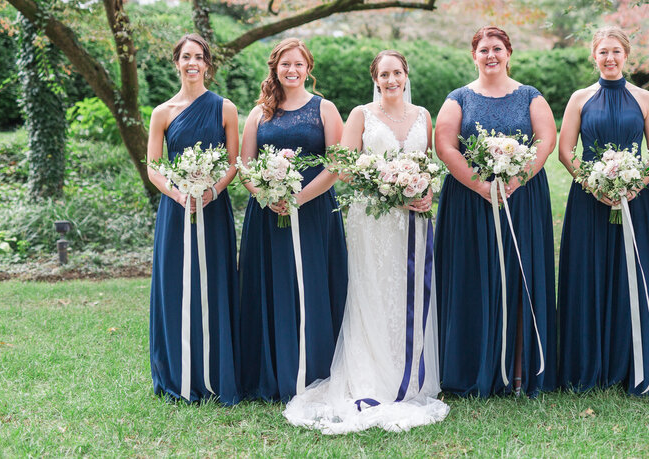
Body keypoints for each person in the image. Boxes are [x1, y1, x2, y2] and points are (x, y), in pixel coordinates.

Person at [284, 50, 448, 433]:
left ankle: (411, 375)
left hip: (414, 219)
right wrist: (390, 188)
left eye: (397, 73)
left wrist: (425, 192)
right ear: (375, 79)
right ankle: (372, 377)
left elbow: (429, 165)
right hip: (372, 219)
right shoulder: (360, 114)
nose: (391, 80)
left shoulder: (424, 115)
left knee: (409, 292)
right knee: (372, 293)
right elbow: (343, 167)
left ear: (406, 75)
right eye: (383, 74)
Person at [434, 26, 557, 398]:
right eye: (484, 49)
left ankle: (519, 371)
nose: (491, 55)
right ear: (474, 55)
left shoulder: (530, 96)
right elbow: (445, 145)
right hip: (469, 202)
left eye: (497, 48)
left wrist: (517, 179)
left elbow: (545, 140)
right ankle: (471, 366)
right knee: (472, 277)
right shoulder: (458, 98)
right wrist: (480, 185)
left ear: (509, 53)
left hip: (522, 198)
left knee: (520, 277)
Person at [237, 38, 348, 402]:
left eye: (299, 64)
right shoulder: (258, 113)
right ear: (275, 68)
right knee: (273, 285)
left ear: (308, 68)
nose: (292, 70)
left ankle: (316, 370)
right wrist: (266, 196)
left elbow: (337, 164)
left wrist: (299, 198)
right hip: (267, 216)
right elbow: (245, 167)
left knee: (313, 284)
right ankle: (272, 371)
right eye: (286, 64)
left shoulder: (325, 108)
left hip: (315, 212)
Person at [556, 27, 649, 394]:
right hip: (589, 199)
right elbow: (565, 150)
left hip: (636, 199)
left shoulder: (646, 98)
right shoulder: (579, 98)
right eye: (603, 52)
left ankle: (630, 362)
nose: (610, 58)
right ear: (594, 56)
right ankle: (588, 365)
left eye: (616, 51)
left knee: (633, 272)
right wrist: (593, 183)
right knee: (589, 273)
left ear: (626, 55)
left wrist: (637, 184)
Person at [146, 33, 240, 404]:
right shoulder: (162, 113)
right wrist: (177, 193)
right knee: (175, 285)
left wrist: (212, 191)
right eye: (186, 56)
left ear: (207, 64)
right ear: (176, 62)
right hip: (176, 208)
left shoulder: (225, 108)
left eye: (199, 57)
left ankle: (215, 372)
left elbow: (234, 163)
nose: (192, 63)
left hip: (213, 208)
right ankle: (177, 372)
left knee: (213, 283)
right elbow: (154, 166)